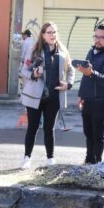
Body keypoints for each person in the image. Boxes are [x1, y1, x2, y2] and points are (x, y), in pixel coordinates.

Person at [19, 22, 74, 169]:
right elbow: (23, 72)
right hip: (35, 96)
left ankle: (50, 158)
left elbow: (70, 70)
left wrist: (68, 84)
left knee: (49, 128)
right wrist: (33, 74)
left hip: (54, 97)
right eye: (49, 32)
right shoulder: (34, 50)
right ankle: (27, 158)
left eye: (54, 32)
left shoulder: (63, 51)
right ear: (43, 35)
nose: (52, 35)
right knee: (33, 127)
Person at [78, 23, 104, 165]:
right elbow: (86, 76)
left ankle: (96, 162)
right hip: (88, 99)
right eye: (96, 36)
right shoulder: (91, 52)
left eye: (102, 37)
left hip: (101, 101)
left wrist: (92, 73)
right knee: (87, 133)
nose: (98, 40)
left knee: (98, 134)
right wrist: (81, 94)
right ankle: (89, 160)